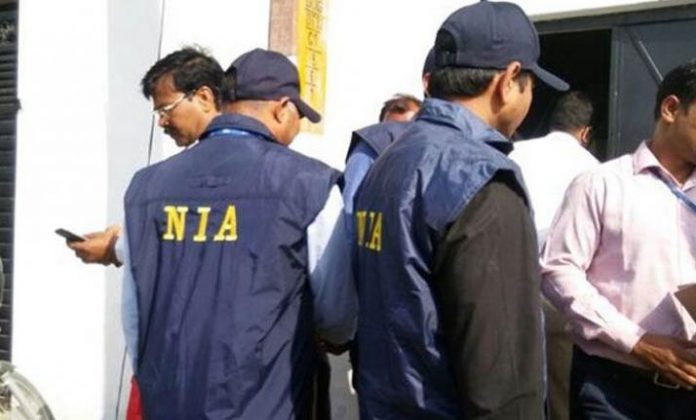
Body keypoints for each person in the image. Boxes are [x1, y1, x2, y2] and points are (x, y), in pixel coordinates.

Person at [72, 47, 356, 419]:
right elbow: (337, 314)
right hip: (268, 405)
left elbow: (135, 314)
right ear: (283, 108)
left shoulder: (147, 188)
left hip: (170, 403)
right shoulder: (311, 185)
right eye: (299, 115)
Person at [353, 1, 568, 418]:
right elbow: (502, 378)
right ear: (508, 81)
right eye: (530, 85)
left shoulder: (388, 160)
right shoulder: (482, 180)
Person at [541, 60, 696, 419]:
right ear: (671, 109)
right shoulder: (601, 185)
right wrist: (637, 341)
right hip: (615, 391)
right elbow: (558, 271)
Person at [510, 91, 599, 420]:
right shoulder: (596, 170)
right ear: (586, 133)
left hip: (511, 286)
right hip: (561, 295)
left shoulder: (515, 153)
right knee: (561, 396)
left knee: (514, 386)